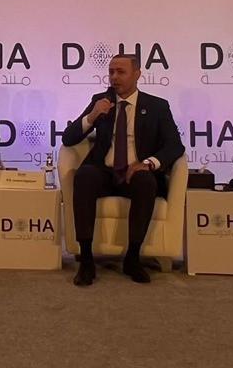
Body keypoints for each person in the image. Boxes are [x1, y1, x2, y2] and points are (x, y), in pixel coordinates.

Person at [63, 53, 184, 285]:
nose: (114, 77)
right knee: (85, 175)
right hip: (104, 171)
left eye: (121, 72)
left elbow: (174, 146)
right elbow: (68, 139)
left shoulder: (157, 106)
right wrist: (92, 116)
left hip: (135, 174)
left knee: (146, 181)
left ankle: (133, 258)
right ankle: (86, 259)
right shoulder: (101, 101)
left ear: (137, 75)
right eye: (111, 72)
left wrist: (148, 163)